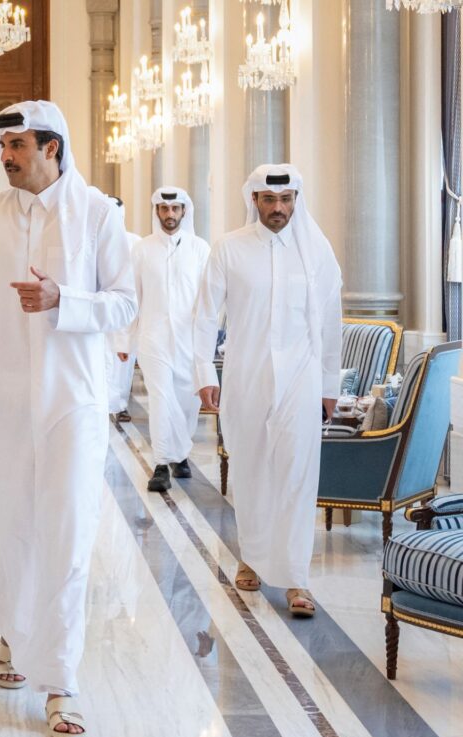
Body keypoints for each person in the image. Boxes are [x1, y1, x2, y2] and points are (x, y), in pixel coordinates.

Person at [0, 101, 137, 737]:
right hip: (4, 400)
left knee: (67, 534)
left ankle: (62, 680)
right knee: (9, 528)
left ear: (52, 147)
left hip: (74, 401)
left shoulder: (98, 213)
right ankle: (15, 638)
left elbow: (124, 303)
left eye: (16, 145)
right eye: (2, 146)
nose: (5, 156)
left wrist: (62, 299)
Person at [193, 164, 342, 619]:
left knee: (298, 474)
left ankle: (297, 578)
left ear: (296, 199)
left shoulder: (316, 251)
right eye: (270, 199)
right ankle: (252, 558)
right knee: (252, 469)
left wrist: (329, 385)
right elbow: (204, 316)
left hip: (301, 378)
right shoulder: (229, 248)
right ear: (254, 199)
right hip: (247, 376)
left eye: (286, 199)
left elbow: (330, 321)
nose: (279, 208)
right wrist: (204, 372)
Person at [118, 187, 209, 492]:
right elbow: (132, 297)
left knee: (186, 401)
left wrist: (207, 342)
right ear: (156, 211)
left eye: (175, 209)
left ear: (184, 211)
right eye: (164, 209)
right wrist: (125, 342)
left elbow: (208, 302)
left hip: (188, 340)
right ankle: (160, 464)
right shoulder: (142, 250)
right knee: (160, 398)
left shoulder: (200, 249)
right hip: (152, 337)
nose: (169, 214)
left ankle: (180, 455)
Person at [106, 196, 142, 425]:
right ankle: (103, 404)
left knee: (123, 365)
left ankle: (120, 405)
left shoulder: (135, 243)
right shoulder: (95, 238)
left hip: (126, 312)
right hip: (101, 312)